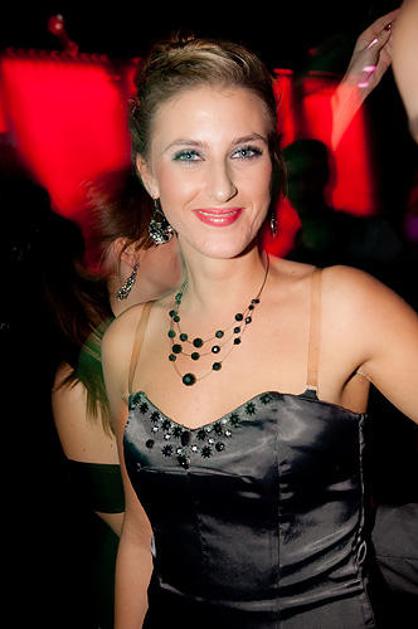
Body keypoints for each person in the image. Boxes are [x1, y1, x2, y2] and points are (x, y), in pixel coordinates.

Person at [101, 25, 418, 629]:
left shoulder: (344, 306)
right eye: (188, 154)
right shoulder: (127, 342)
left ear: (273, 162)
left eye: (244, 151)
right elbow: (141, 540)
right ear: (149, 175)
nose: (222, 186)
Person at [49, 166, 182, 626]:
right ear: (130, 254)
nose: (195, 236)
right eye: (173, 229)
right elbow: (133, 530)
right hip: (153, 597)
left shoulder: (198, 332)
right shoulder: (80, 383)